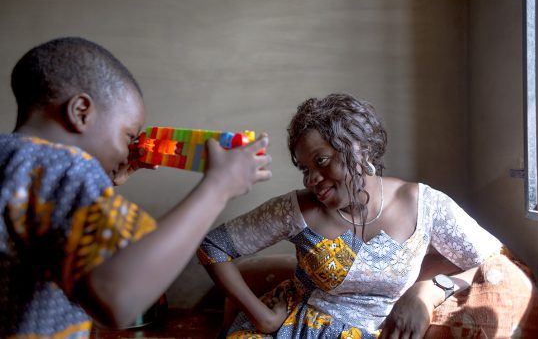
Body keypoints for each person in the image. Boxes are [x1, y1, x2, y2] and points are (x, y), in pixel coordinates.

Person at [0, 37, 271, 338]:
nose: (127, 151)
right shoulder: (69, 168)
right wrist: (218, 187)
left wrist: (103, 183)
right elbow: (116, 298)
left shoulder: (12, 157)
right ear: (80, 112)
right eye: (129, 135)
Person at [197, 93, 504, 338]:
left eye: (322, 161)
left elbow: (487, 255)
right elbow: (213, 246)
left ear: (361, 150)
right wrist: (262, 318)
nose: (311, 179)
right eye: (305, 169)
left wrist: (427, 291)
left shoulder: (423, 204)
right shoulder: (296, 209)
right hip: (293, 328)